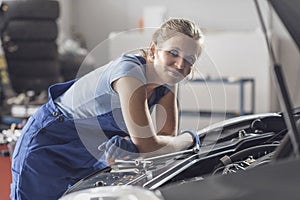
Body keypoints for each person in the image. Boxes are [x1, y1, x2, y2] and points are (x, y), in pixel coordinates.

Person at [10, 18, 204, 200]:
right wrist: (190, 138)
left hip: (89, 155)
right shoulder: (130, 74)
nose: (180, 65)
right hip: (48, 147)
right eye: (173, 53)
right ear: (154, 51)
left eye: (189, 60)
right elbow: (152, 147)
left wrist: (140, 145)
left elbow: (166, 137)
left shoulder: (169, 80)